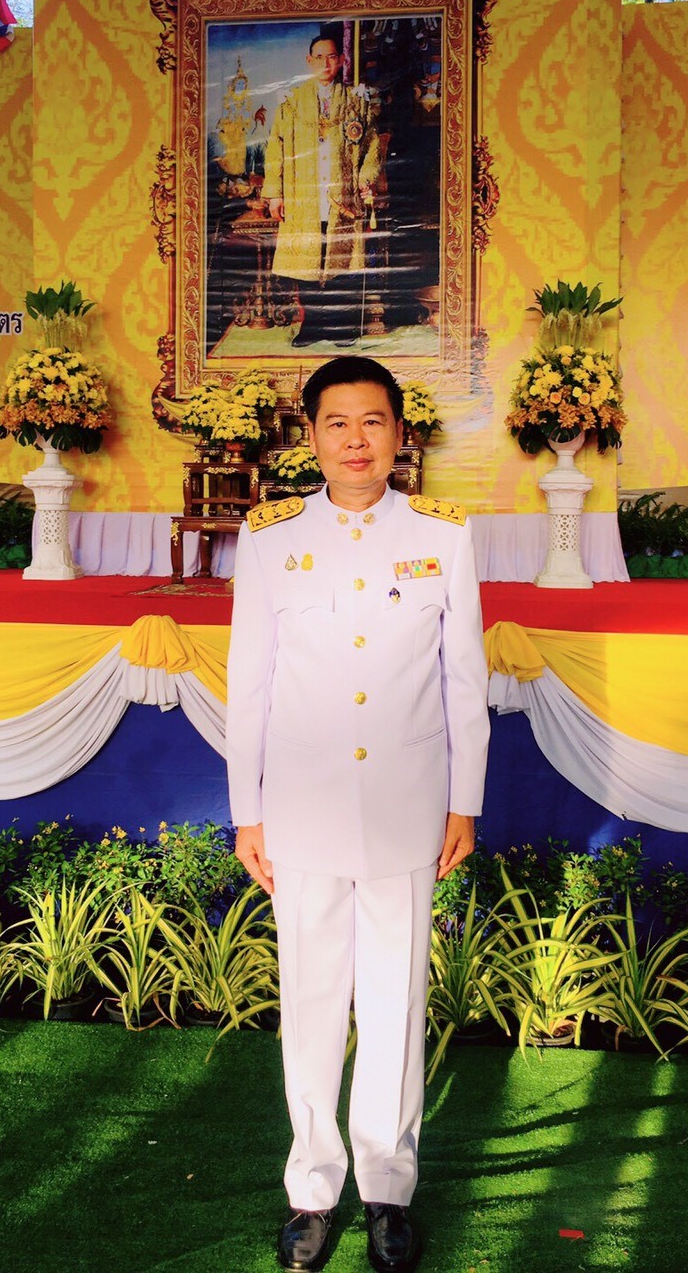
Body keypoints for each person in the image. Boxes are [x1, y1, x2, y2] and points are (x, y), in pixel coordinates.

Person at [226, 356, 490, 1273]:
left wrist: (466, 800)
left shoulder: (445, 537)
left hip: (409, 807)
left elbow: (465, 682)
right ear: (310, 437)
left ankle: (386, 1189)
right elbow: (248, 683)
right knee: (309, 1002)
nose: (355, 440)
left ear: (400, 434)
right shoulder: (266, 541)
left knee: (394, 1000)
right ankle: (311, 1189)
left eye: (373, 422)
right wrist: (245, 810)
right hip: (300, 808)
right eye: (336, 423)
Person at [262, 27, 383, 348]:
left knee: (339, 260)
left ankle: (341, 326)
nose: (326, 64)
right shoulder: (291, 101)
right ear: (309, 60)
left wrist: (365, 178)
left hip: (342, 196)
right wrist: (275, 193)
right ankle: (312, 325)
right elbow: (275, 147)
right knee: (309, 262)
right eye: (319, 58)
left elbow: (372, 146)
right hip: (304, 197)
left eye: (332, 57)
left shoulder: (355, 101)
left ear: (341, 59)